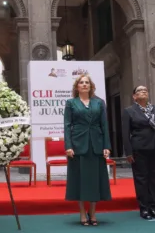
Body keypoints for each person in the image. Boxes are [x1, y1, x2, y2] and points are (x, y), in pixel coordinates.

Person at [64, 74, 111, 226]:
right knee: (79, 180)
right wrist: (68, 146)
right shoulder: (71, 103)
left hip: (96, 145)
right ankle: (82, 212)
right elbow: (67, 125)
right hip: (77, 145)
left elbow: (104, 125)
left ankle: (93, 212)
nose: (84, 85)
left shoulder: (99, 103)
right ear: (77, 86)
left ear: (91, 86)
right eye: (81, 83)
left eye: (87, 83)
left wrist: (106, 146)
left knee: (94, 180)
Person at [121, 85, 155, 220]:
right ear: (134, 96)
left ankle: (153, 207)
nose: (143, 92)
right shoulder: (129, 111)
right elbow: (125, 133)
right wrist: (128, 152)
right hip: (139, 149)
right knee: (141, 179)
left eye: (145, 90)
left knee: (154, 179)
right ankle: (144, 208)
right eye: (140, 91)